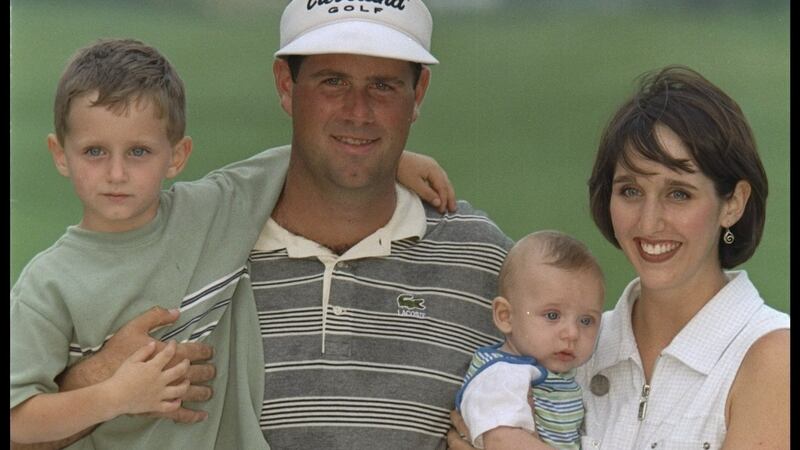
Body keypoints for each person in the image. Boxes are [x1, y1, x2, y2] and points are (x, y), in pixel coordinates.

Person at [9, 37, 458, 450]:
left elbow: (319, 158)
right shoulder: (48, 284)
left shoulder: (213, 212)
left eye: (139, 152)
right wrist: (115, 396)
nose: (116, 174)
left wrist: (395, 161)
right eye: (94, 152)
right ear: (59, 154)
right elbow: (17, 422)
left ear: (177, 156)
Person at [450, 66, 790, 449]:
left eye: (679, 193)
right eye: (630, 191)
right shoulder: (569, 344)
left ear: (733, 204)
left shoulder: (773, 358)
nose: (648, 221)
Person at [247, 1, 514, 449]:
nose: (358, 111)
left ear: (419, 93)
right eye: (333, 82)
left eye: (384, 86)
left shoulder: (485, 261)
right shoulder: (213, 244)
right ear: (286, 85)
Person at [455, 231, 604, 450]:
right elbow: (501, 441)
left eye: (586, 320)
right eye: (552, 315)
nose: (572, 333)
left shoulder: (555, 376)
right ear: (505, 316)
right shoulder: (502, 376)